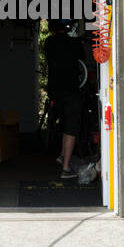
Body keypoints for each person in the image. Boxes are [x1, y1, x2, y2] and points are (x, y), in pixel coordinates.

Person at [44, 19, 86, 178]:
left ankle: (62, 156)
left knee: (64, 123)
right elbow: (83, 60)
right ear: (66, 27)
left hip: (55, 91)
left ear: (51, 29)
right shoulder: (75, 43)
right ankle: (66, 169)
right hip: (71, 90)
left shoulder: (49, 42)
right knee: (71, 127)